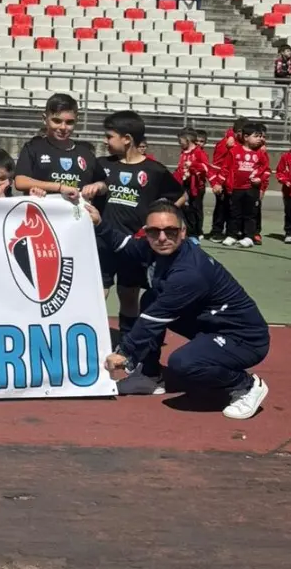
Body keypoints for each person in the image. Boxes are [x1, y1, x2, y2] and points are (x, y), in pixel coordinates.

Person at [88, 199, 270, 420]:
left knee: (183, 363)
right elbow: (124, 245)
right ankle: (149, 375)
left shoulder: (190, 272)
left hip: (243, 338)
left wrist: (125, 353)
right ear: (146, 232)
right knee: (151, 298)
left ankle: (247, 385)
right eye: (154, 231)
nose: (162, 238)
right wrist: (99, 223)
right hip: (209, 323)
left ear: (183, 232)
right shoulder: (153, 247)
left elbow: (152, 321)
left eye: (170, 231)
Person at [97, 111, 185, 392]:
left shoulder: (155, 170)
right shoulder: (101, 166)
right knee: (98, 294)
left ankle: (127, 347)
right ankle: (96, 343)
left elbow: (179, 195)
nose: (105, 141)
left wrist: (156, 222)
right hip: (102, 243)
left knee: (129, 295)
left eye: (109, 136)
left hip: (134, 248)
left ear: (127, 139)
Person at [14, 92, 107, 202]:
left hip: (76, 216)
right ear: (45, 119)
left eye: (69, 122)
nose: (63, 127)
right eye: (57, 121)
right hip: (42, 215)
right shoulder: (34, 148)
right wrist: (59, 187)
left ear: (77, 120)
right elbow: (20, 181)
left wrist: (98, 186)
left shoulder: (85, 152)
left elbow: (104, 184)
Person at [215, 120, 269, 248]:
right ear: (246, 137)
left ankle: (249, 237)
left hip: (251, 189)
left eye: (261, 136)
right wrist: (218, 183)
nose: (260, 139)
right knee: (234, 213)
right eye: (256, 136)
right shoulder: (234, 151)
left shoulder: (261, 153)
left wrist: (260, 180)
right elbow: (225, 168)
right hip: (236, 188)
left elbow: (266, 170)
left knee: (250, 214)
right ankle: (232, 235)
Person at [174, 128, 210, 241]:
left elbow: (205, 168)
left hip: (196, 186)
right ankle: (190, 232)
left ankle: (197, 232)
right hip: (185, 185)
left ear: (187, 139)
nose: (179, 143)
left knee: (196, 209)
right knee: (186, 209)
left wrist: (193, 165)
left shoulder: (199, 152)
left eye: (181, 140)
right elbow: (180, 168)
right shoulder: (183, 152)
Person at [273, 44, 291, 118]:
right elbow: (279, 71)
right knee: (280, 96)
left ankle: (283, 113)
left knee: (285, 98)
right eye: (287, 51)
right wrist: (288, 74)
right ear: (282, 52)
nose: (290, 52)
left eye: (290, 51)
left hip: (287, 83)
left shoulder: (290, 62)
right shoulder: (279, 61)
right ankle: (275, 113)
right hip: (280, 83)